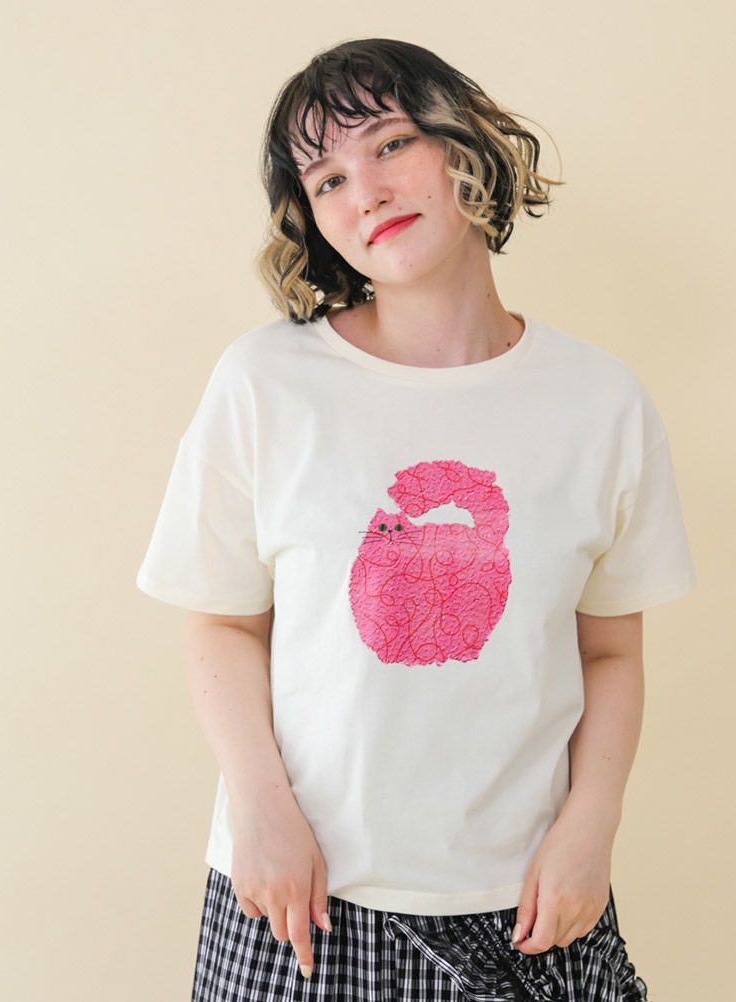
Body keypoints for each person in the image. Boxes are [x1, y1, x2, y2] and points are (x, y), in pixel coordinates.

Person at [136, 37, 697, 1001]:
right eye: (327, 180)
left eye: (391, 144)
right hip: (297, 897)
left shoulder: (600, 402)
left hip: (524, 903)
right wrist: (260, 810)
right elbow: (223, 623)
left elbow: (610, 651)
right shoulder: (266, 383)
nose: (367, 192)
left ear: (463, 143)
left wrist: (592, 824)